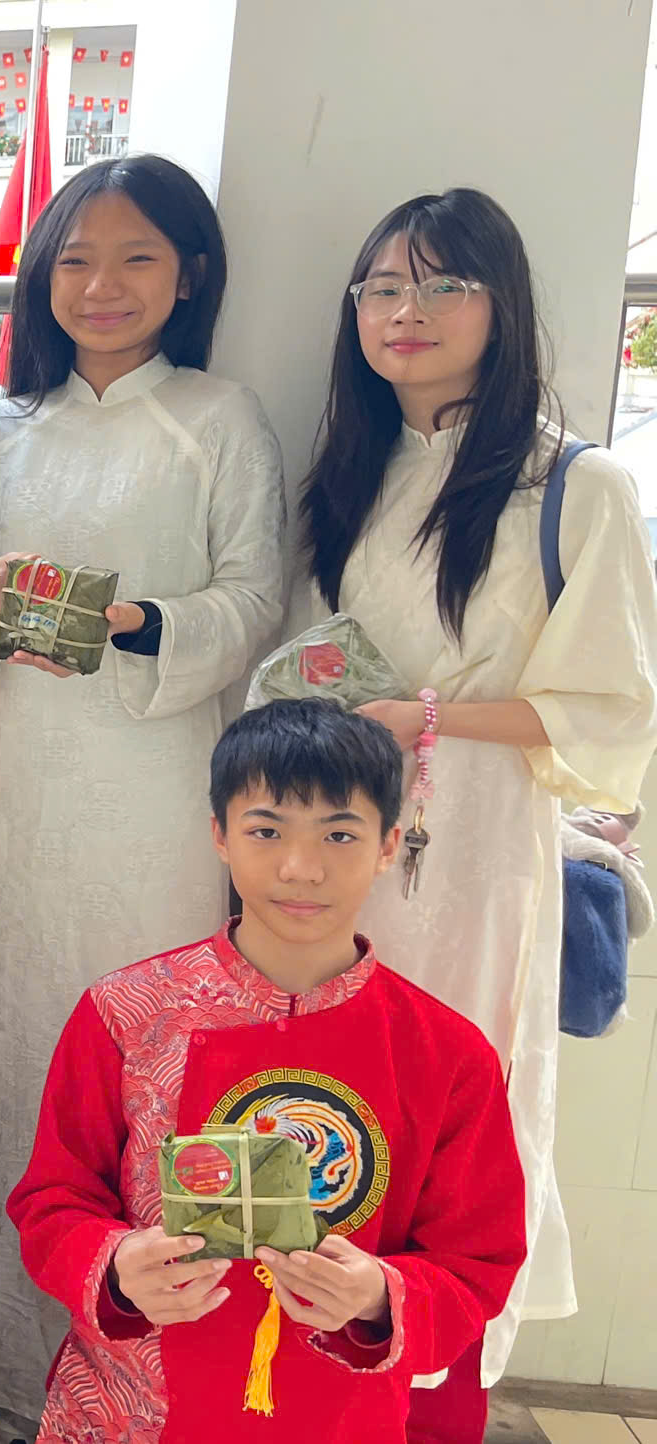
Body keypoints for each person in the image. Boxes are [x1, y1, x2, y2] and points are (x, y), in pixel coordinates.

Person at [0, 155, 288, 1426]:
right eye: (74, 259)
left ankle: (125, 1375)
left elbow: (255, 597)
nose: (101, 285)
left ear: (190, 275)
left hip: (150, 785)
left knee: (138, 1060)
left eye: (137, 258)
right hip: (13, 782)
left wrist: (136, 621)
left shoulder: (222, 418)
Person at [287, 188, 657, 1428]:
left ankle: (428, 1379)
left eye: (445, 285)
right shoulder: (355, 473)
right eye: (385, 287)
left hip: (480, 839)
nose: (410, 311)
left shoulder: (575, 486)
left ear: (503, 305)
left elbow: (612, 707)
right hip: (338, 836)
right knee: (327, 1086)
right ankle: (311, 1361)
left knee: (456, 1094)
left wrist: (432, 718)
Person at [6, 699, 527, 1443]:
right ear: (220, 835)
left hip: (339, 1417)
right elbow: (53, 1199)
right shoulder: (126, 1012)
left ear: (389, 843)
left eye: (339, 834)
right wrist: (116, 1263)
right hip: (130, 1410)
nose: (300, 868)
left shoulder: (448, 1053)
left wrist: (378, 1294)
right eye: (266, 830)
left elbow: (479, 1262)